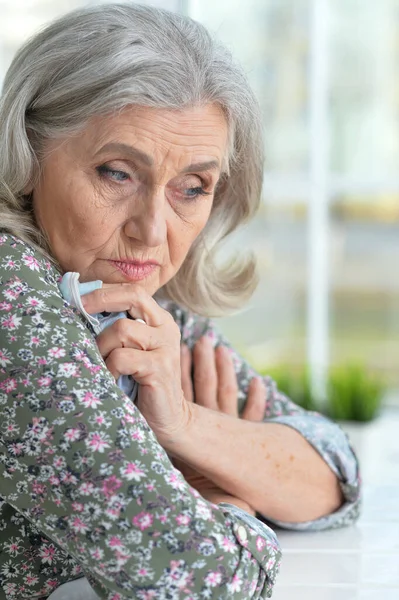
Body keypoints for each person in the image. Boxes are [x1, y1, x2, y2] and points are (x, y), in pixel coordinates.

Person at [0, 3, 360, 599]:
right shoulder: (12, 297)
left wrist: (189, 427)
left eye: (192, 188)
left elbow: (331, 477)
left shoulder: (127, 298)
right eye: (117, 173)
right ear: (28, 155)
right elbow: (202, 583)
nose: (154, 229)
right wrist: (216, 492)